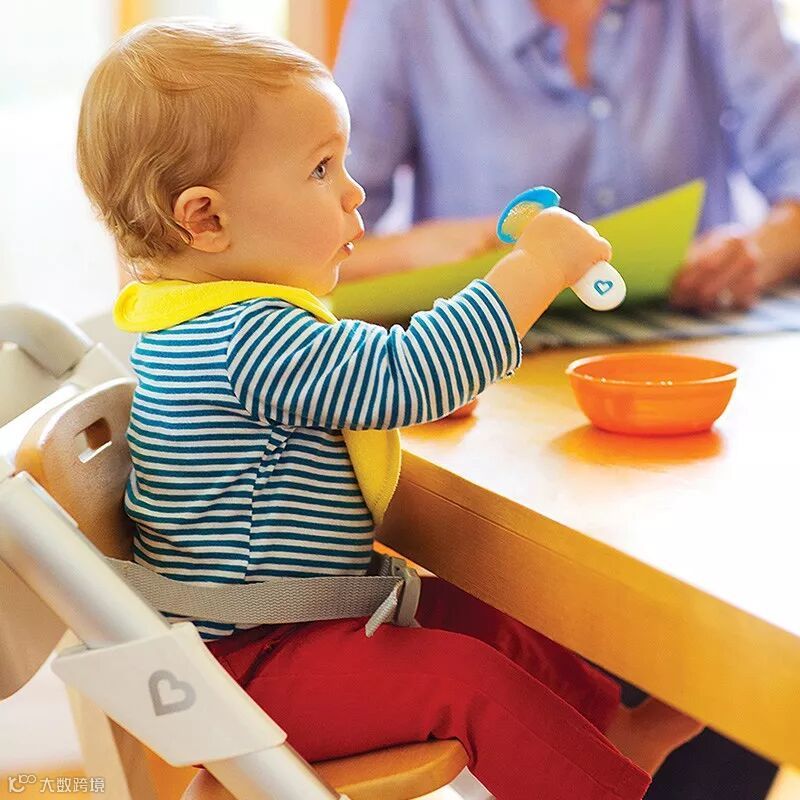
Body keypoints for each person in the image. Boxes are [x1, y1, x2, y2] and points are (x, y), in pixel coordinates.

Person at [76, 19, 701, 800]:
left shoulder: (207, 324)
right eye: (320, 168)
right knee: (462, 681)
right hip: (252, 668)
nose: (354, 190)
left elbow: (365, 380)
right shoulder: (243, 336)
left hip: (291, 633)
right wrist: (535, 267)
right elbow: (409, 373)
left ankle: (610, 732)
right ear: (206, 219)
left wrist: (399, 391)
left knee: (476, 613)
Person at [335, 0, 800, 313]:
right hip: (488, 363)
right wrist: (415, 251)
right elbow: (314, 238)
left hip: (694, 335)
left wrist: (757, 252)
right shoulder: (401, 12)